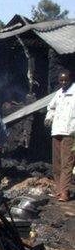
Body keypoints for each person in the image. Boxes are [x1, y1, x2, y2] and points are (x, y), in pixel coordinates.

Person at [46, 70, 75, 201]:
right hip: (57, 130)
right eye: (61, 80)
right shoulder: (59, 94)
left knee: (67, 163)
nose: (63, 82)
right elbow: (51, 107)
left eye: (65, 80)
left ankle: (64, 192)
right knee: (57, 163)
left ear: (70, 80)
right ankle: (59, 190)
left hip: (70, 132)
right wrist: (49, 118)